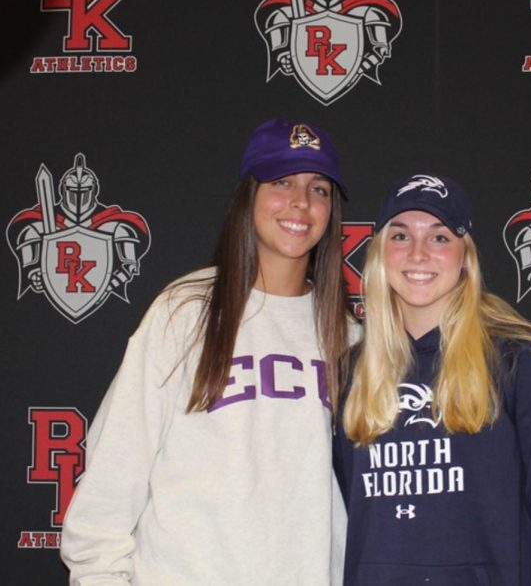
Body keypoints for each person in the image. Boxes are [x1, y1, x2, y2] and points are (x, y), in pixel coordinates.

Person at [61, 119, 354, 585]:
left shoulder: (346, 333)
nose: (300, 202)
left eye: (318, 188)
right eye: (281, 182)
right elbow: (116, 467)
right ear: (248, 195)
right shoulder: (186, 311)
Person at [333, 174, 531, 585]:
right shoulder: (351, 374)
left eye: (440, 238)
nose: (418, 254)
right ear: (379, 254)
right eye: (401, 236)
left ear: (466, 256)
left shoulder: (523, 364)